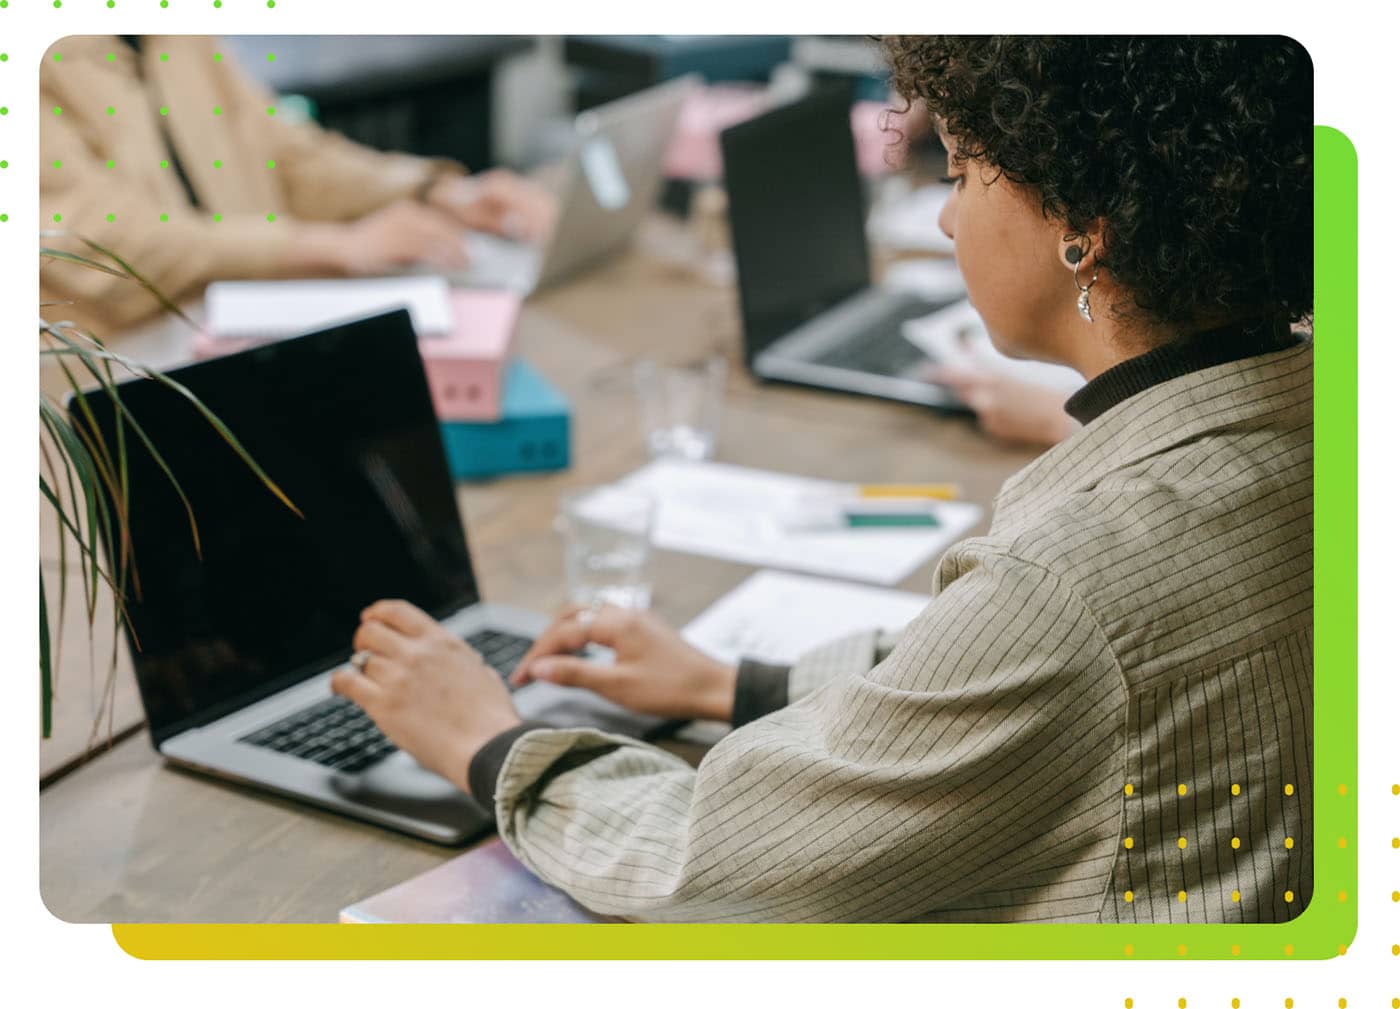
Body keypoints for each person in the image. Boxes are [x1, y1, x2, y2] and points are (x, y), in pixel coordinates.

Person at [332, 36, 1314, 923]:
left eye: (964, 173)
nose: (939, 216)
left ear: (1079, 228)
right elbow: (1004, 676)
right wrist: (733, 682)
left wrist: (490, 743)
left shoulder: (1070, 581)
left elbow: (712, 872)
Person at [39, 36, 554, 336]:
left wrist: (430, 190)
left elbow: (287, 156)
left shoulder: (175, 33)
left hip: (238, 332)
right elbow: (98, 240)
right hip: (117, 369)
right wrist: (329, 247)